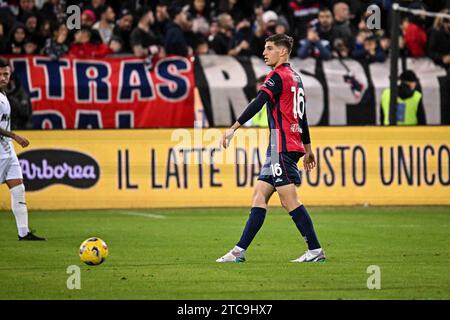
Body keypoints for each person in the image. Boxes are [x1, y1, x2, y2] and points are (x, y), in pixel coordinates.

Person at [216, 33, 325, 263]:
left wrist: (233, 128)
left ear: (282, 52)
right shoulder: (296, 77)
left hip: (282, 147)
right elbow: (302, 117)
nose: (264, 52)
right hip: (282, 146)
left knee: (289, 200)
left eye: (269, 48)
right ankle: (239, 251)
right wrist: (308, 148)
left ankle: (315, 250)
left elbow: (258, 102)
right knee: (259, 195)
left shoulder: (277, 76)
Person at [0, 58, 45, 241]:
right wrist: (14, 136)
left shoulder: (4, 95)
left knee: (18, 189)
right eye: (0, 74)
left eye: (6, 74)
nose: (3, 78)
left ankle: (23, 232)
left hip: (8, 152)